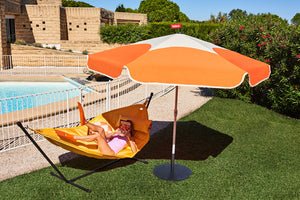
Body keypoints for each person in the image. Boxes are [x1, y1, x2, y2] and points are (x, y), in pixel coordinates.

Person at [55, 102, 137, 156]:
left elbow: (134, 152)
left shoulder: (130, 138)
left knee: (97, 136)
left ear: (129, 129)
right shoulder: (118, 133)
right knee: (101, 130)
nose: (123, 129)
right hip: (105, 146)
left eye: (126, 128)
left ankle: (74, 137)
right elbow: (107, 137)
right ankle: (85, 122)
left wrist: (129, 137)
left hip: (110, 152)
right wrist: (114, 133)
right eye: (122, 126)